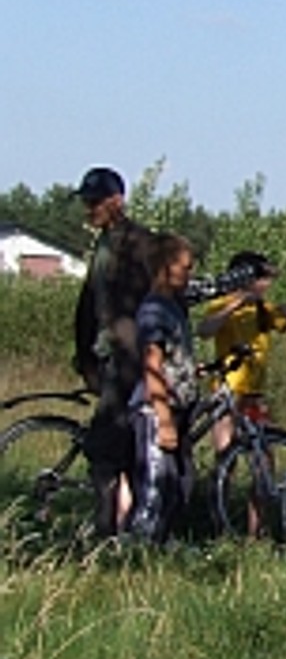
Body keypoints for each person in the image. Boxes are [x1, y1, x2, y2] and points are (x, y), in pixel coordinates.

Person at [71, 166, 156, 535]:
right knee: (111, 447)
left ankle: (113, 531)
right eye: (86, 203)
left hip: (131, 360)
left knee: (119, 446)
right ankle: (111, 527)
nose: (88, 209)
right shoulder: (104, 244)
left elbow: (161, 304)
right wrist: (85, 357)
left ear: (116, 202)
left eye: (94, 202)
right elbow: (88, 304)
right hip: (109, 358)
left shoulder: (141, 244)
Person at [195, 249, 286, 454]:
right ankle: (220, 483)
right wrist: (234, 305)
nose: (267, 285)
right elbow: (205, 330)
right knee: (225, 447)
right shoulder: (221, 304)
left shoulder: (262, 309)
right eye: (263, 279)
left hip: (254, 390)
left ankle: (262, 486)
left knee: (264, 448)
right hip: (229, 388)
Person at [125, 233, 201, 543]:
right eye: (185, 266)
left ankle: (164, 543)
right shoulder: (154, 310)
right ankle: (138, 551)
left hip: (177, 408)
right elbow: (152, 364)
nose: (190, 273)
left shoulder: (175, 307)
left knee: (181, 484)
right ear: (166, 267)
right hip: (155, 411)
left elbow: (173, 360)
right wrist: (164, 419)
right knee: (156, 486)